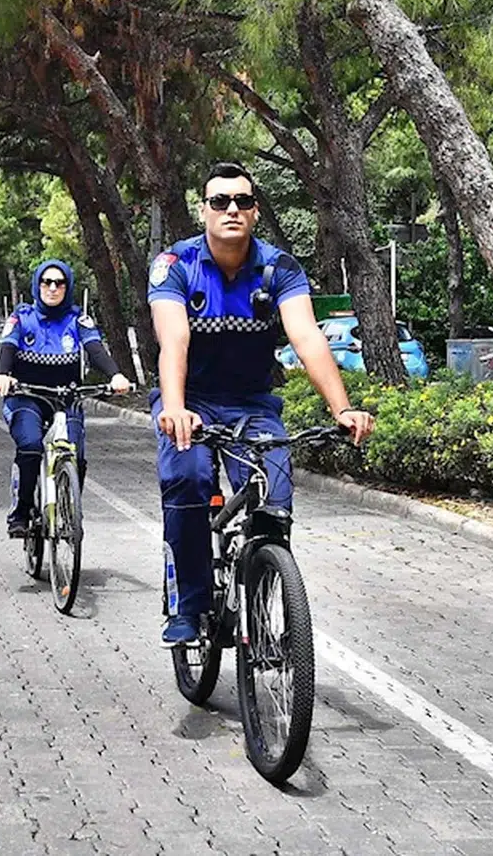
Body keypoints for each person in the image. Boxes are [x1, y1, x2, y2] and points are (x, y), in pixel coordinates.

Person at [149, 161, 375, 647]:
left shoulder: (279, 268)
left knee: (275, 500)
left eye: (243, 202)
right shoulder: (176, 265)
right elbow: (174, 340)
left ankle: (262, 602)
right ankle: (188, 603)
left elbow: (307, 337)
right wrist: (174, 407)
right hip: (190, 403)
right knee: (188, 479)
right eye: (220, 202)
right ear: (203, 210)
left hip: (253, 406)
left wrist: (342, 408)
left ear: (255, 211)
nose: (232, 209)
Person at [0, 260, 133, 538]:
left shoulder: (78, 320)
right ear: (37, 285)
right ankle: (20, 513)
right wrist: (2, 375)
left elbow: (95, 350)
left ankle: (69, 508)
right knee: (31, 446)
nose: (53, 288)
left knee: (76, 456)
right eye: (47, 282)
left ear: (68, 287)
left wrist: (116, 375)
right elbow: (7, 349)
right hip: (27, 397)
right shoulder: (22, 318)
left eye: (60, 282)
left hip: (67, 397)